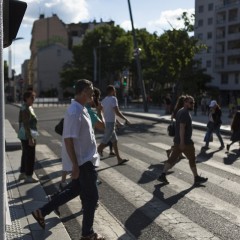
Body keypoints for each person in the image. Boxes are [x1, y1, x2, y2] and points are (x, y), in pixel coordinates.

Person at [32, 79, 105, 240]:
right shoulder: (74, 111)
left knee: (73, 191)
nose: (93, 94)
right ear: (84, 91)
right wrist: (75, 165)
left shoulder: (82, 109)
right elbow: (68, 139)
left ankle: (41, 212)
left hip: (86, 159)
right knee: (92, 198)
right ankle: (87, 234)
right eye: (91, 91)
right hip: (83, 162)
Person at [158, 95, 208, 185]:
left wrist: (180, 142)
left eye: (193, 102)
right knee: (192, 159)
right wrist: (182, 142)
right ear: (185, 102)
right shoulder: (184, 113)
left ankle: (162, 174)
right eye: (191, 102)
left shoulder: (180, 111)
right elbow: (182, 127)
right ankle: (196, 178)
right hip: (185, 142)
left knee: (172, 158)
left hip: (178, 141)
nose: (192, 104)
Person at [97, 85, 130, 165]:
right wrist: (126, 119)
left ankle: (119, 159)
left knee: (114, 141)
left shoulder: (104, 100)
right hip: (110, 124)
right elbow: (117, 112)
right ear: (111, 91)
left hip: (108, 123)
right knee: (104, 142)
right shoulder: (113, 99)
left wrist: (102, 118)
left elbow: (100, 110)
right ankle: (91, 158)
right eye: (114, 90)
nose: (115, 92)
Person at [17, 90, 39, 183]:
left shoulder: (27, 107)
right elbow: (26, 124)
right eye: (31, 97)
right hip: (27, 135)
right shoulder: (25, 108)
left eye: (34, 97)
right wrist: (30, 138)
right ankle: (29, 176)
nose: (33, 99)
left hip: (26, 134)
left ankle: (23, 173)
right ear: (26, 98)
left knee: (25, 154)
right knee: (30, 155)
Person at [166, 95, 185, 160]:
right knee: (180, 142)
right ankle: (170, 151)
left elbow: (172, 117)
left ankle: (180, 154)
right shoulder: (182, 109)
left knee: (179, 142)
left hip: (177, 126)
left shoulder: (176, 108)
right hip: (180, 127)